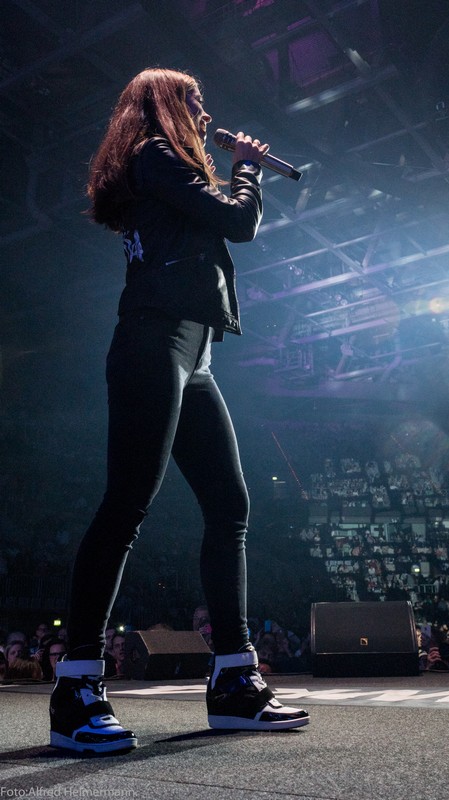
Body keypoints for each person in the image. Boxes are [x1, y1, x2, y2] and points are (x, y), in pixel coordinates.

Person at [49, 67, 309, 754]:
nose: (205, 113)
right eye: (193, 100)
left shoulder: (167, 169)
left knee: (229, 506)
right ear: (163, 104)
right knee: (127, 504)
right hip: (153, 342)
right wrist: (247, 168)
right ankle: (76, 687)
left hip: (193, 355)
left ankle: (235, 681)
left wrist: (233, 173)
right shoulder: (154, 154)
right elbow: (238, 223)